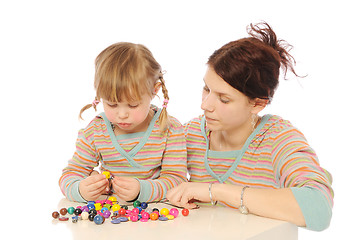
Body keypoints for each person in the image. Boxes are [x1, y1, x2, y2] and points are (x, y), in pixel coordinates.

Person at [166, 22, 333, 231]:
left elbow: (319, 208)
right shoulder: (189, 134)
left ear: (257, 104)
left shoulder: (277, 138)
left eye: (224, 99)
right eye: (206, 89)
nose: (205, 105)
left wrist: (214, 191)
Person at [59, 42, 187, 203]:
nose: (122, 114)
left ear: (154, 91)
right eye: (112, 104)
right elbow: (69, 175)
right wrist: (80, 190)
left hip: (157, 220)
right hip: (109, 220)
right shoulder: (96, 131)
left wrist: (142, 190)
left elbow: (178, 181)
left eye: (133, 105)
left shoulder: (170, 128)